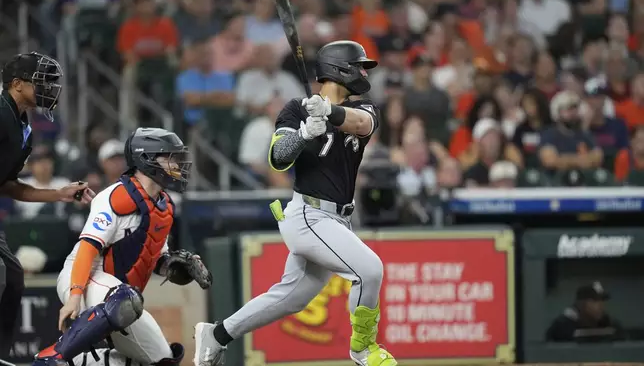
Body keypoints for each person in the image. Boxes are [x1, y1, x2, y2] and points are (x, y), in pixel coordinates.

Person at [193, 40, 397, 366]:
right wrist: (303, 134)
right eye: (358, 66)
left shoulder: (365, 107)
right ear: (338, 69)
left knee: (291, 297)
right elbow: (277, 158)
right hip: (308, 215)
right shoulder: (296, 109)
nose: (362, 73)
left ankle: (217, 335)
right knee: (369, 270)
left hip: (338, 219)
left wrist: (329, 112)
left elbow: (361, 124)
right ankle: (363, 349)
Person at [32, 128, 213, 366]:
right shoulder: (116, 196)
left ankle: (74, 363)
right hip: (83, 276)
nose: (176, 165)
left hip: (122, 296)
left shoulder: (164, 206)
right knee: (126, 299)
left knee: (162, 360)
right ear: (147, 159)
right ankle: (53, 358)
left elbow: (155, 257)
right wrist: (74, 297)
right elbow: (87, 248)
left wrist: (173, 266)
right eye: (169, 157)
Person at [0, 52, 95, 358]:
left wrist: (59, 194)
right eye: (40, 82)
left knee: (12, 278)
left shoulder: (22, 126)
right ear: (16, 84)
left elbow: (8, 185)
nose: (48, 89)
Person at [546, 282, 625, 343]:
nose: (600, 305)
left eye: (602, 301)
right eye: (594, 301)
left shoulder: (609, 323)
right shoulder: (561, 326)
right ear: (581, 303)